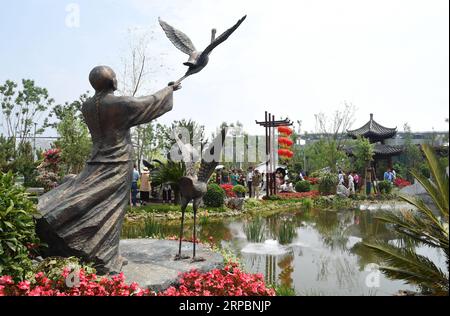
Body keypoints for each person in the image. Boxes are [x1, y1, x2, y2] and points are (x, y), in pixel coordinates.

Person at [36, 65, 179, 274]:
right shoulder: (120, 103)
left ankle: (84, 242)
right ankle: (106, 258)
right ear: (113, 82)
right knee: (112, 209)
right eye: (115, 76)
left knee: (88, 197)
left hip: (96, 160)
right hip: (118, 162)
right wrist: (169, 90)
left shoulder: (87, 106)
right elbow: (148, 104)